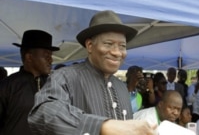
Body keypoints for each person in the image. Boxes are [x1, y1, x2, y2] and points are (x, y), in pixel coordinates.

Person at [28, 10, 157, 135]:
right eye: (108, 44)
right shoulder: (65, 77)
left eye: (122, 46)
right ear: (90, 45)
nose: (117, 52)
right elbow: (43, 113)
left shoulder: (121, 87)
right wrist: (102, 126)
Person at [0, 30, 59, 135]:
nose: (51, 60)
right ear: (29, 57)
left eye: (51, 55)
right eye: (46, 56)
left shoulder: (54, 86)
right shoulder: (7, 86)